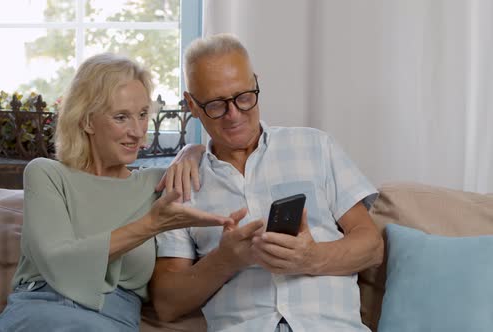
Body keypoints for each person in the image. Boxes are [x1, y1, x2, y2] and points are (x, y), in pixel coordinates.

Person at [150, 34, 384, 332]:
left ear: (256, 83)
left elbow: (372, 246)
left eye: (244, 97)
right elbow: (167, 304)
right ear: (191, 105)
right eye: (216, 105)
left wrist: (311, 258)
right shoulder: (182, 184)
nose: (234, 115)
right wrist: (224, 260)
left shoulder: (315, 146)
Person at [0, 53, 234, 332]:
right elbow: (58, 261)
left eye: (143, 115)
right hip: (39, 310)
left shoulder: (157, 185)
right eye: (121, 117)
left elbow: (218, 161)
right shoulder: (47, 174)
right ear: (87, 121)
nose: (137, 132)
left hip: (112, 320)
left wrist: (191, 150)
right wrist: (149, 225)